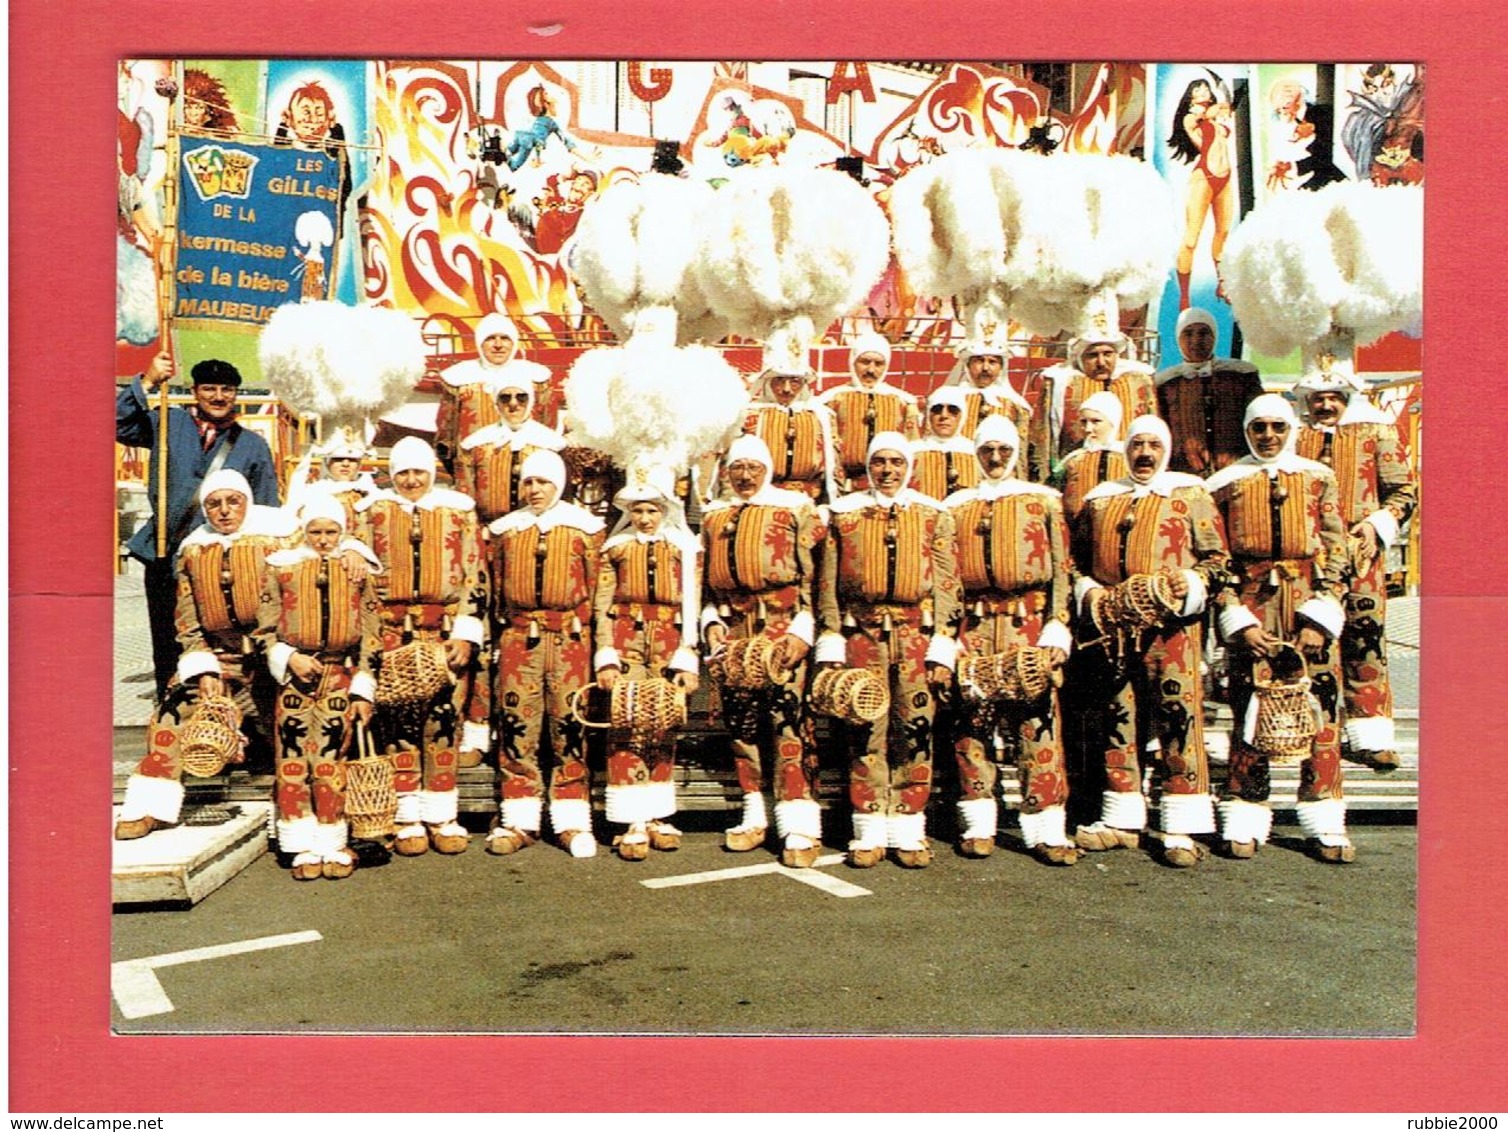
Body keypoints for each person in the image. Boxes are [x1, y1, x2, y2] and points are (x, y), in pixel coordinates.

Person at [1070, 416, 1230, 867]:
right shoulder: (1100, 501)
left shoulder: (1189, 495)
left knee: (1178, 715)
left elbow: (1219, 561)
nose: (1144, 454)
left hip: (1172, 631)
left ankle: (1179, 821)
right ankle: (1122, 816)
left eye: (1153, 446)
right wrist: (1091, 593)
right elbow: (1074, 563)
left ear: (1166, 450)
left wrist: (1191, 582)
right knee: (1119, 716)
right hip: (1115, 629)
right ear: (1126, 449)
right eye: (1137, 445)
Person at [1207, 395, 1353, 863]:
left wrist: (1321, 616)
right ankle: (1247, 813)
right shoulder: (1224, 484)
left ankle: (1324, 819)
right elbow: (1216, 558)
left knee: (1321, 706)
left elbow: (1337, 550)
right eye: (1258, 428)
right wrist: (1237, 619)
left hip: (1306, 599)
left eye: (1276, 427)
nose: (1268, 436)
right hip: (1254, 605)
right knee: (1251, 709)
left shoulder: (1317, 478)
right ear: (1247, 431)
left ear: (1290, 429)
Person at [114, 471, 295, 840]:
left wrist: (281, 656)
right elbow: (188, 621)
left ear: (247, 502)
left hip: (272, 660)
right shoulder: (195, 551)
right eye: (214, 504)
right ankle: (150, 805)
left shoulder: (279, 544)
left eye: (234, 502)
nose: (225, 511)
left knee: (296, 721)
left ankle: (301, 817)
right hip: (221, 658)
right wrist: (203, 666)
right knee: (172, 713)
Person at [815, 433, 961, 868]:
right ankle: (868, 824)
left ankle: (908, 823)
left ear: (909, 466)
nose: (888, 471)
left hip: (915, 634)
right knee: (865, 728)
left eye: (897, 462)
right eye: (879, 462)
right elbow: (827, 581)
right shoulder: (845, 514)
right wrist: (831, 637)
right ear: (868, 465)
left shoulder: (933, 514)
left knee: (915, 727)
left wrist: (943, 644)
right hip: (863, 634)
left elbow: (948, 581)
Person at [944, 417, 1079, 864]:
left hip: (1028, 626)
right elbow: (945, 577)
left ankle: (1045, 826)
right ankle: (979, 824)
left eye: (1003, 450)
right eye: (987, 452)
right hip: (977, 628)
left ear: (1016, 452)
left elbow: (1062, 570)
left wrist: (1057, 629)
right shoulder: (957, 506)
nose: (996, 459)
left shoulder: (1042, 502)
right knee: (972, 723)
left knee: (1036, 723)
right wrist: (950, 636)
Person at [117, 352, 281, 701]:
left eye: (227, 389)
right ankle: (172, 712)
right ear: (195, 391)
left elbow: (267, 508)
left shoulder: (252, 445)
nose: (219, 397)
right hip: (163, 552)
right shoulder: (168, 423)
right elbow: (114, 423)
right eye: (209, 388)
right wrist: (147, 382)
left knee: (219, 642)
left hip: (220, 563)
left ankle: (226, 718)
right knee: (167, 642)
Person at [353, 437, 487, 858]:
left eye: (419, 472)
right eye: (403, 473)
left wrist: (466, 631)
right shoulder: (370, 513)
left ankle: (442, 815)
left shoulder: (457, 511)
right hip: (392, 630)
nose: (412, 481)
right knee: (397, 726)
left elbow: (475, 574)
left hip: (442, 630)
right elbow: (357, 576)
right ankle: (407, 815)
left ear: (432, 472)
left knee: (442, 723)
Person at [700, 436, 826, 865]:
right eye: (738, 468)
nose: (746, 475)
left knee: (788, 720)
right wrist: (712, 622)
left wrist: (802, 630)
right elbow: (704, 583)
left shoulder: (795, 508)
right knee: (743, 723)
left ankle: (800, 823)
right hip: (735, 630)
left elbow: (815, 576)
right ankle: (755, 813)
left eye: (754, 467)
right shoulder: (715, 516)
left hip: (782, 626)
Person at [1293, 361, 1417, 772]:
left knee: (1365, 637)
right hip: (1313, 558)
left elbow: (1404, 491)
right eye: (1318, 398)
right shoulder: (1293, 437)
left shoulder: (1376, 431)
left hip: (1361, 552)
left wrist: (1376, 524)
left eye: (1333, 397)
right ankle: (1316, 731)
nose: (1326, 404)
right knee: (1315, 642)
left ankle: (1369, 734)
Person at [484, 450, 607, 858]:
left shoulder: (584, 530)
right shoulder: (506, 532)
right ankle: (520, 818)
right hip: (520, 639)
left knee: (570, 724)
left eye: (544, 482)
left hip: (569, 639)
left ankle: (571, 818)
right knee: (518, 723)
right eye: (529, 483)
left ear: (560, 484)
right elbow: (494, 588)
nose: (535, 490)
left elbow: (596, 589)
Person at [254, 498, 382, 881]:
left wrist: (364, 686)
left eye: (331, 532)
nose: (323, 540)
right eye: (316, 531)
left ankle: (331, 837)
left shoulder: (358, 570)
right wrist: (288, 656)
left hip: (339, 673)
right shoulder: (282, 568)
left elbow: (373, 633)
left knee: (330, 758)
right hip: (297, 675)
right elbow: (265, 628)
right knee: (292, 756)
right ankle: (299, 840)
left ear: (342, 532)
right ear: (304, 531)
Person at [592, 472, 701, 860]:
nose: (644, 518)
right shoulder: (616, 550)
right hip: (627, 641)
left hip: (669, 641)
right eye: (637, 510)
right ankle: (630, 817)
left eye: (652, 510)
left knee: (664, 721)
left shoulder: (683, 551)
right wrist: (606, 655)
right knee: (628, 720)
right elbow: (601, 606)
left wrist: (688, 657)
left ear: (665, 511)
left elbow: (694, 604)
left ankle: (656, 813)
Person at [1029, 300, 1157, 484]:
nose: (1101, 362)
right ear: (1080, 356)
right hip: (1075, 478)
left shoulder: (1138, 382)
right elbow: (1041, 440)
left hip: (1127, 477)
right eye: (1093, 355)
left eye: (1108, 354)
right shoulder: (1059, 383)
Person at [433, 313, 552, 476]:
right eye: (490, 338)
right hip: (475, 470)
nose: (498, 345)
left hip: (528, 470)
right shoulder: (459, 379)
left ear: (514, 342)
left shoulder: (536, 378)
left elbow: (548, 424)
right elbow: (446, 432)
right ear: (479, 342)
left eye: (504, 338)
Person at [1155, 308, 1265, 476]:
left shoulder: (1240, 375)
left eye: (1204, 333)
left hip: (1237, 471)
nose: (1196, 340)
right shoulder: (1166, 383)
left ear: (1214, 336)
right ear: (1178, 338)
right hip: (1186, 475)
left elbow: (1259, 420)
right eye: (1188, 333)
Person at [454, 367, 568, 525]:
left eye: (521, 397)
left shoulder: (552, 443)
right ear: (497, 403)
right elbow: (465, 497)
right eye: (505, 398)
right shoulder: (474, 444)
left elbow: (562, 498)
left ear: (531, 401)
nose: (513, 404)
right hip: (488, 530)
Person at [1166, 74, 1238, 309]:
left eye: (1206, 87)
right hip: (1203, 177)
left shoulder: (1217, 117)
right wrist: (1218, 108)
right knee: (1191, 238)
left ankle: (1222, 282)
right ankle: (1185, 296)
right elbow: (1201, 117)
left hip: (1225, 176)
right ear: (1191, 95)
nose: (1204, 90)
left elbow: (1223, 114)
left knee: (1223, 233)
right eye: (1198, 88)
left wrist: (1224, 108)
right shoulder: (1192, 117)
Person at [816, 331, 921, 492]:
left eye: (878, 364)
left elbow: (912, 448)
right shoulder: (831, 400)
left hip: (889, 484)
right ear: (853, 361)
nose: (871, 370)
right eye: (864, 362)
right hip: (844, 485)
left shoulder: (904, 403)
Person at [731, 366, 840, 506]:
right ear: (768, 382)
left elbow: (835, 466)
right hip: (760, 499)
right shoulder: (749, 415)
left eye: (794, 381)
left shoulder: (822, 416)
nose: (787, 389)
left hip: (810, 499)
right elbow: (732, 463)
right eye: (779, 381)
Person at [1050, 390, 1128, 523]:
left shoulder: (1128, 459)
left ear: (1113, 422)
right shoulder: (1072, 459)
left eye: (1096, 421)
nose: (1087, 429)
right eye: (1083, 422)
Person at [942, 340, 1033, 449]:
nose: (985, 368)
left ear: (1001, 368)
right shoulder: (947, 398)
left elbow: (1020, 449)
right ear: (968, 365)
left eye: (992, 362)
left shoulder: (1015, 404)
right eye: (979, 361)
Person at [909, 386, 980, 501]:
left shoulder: (975, 452)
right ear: (928, 415)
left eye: (952, 410)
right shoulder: (911, 451)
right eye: (937, 409)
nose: (944, 416)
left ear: (962, 416)